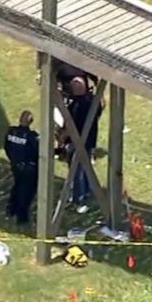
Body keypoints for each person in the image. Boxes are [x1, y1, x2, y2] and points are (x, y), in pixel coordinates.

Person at [65, 77, 101, 214]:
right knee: (85, 167)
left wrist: (63, 136)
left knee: (77, 170)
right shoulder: (92, 100)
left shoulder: (76, 105)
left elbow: (71, 124)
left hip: (77, 140)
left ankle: (78, 198)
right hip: (89, 140)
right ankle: (86, 191)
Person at [4, 110, 39, 224]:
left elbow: (7, 147)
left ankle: (11, 209)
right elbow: (37, 153)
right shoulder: (32, 137)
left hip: (15, 165)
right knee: (26, 192)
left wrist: (13, 160)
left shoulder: (11, 132)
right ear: (30, 122)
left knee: (17, 186)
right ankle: (21, 217)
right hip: (29, 168)